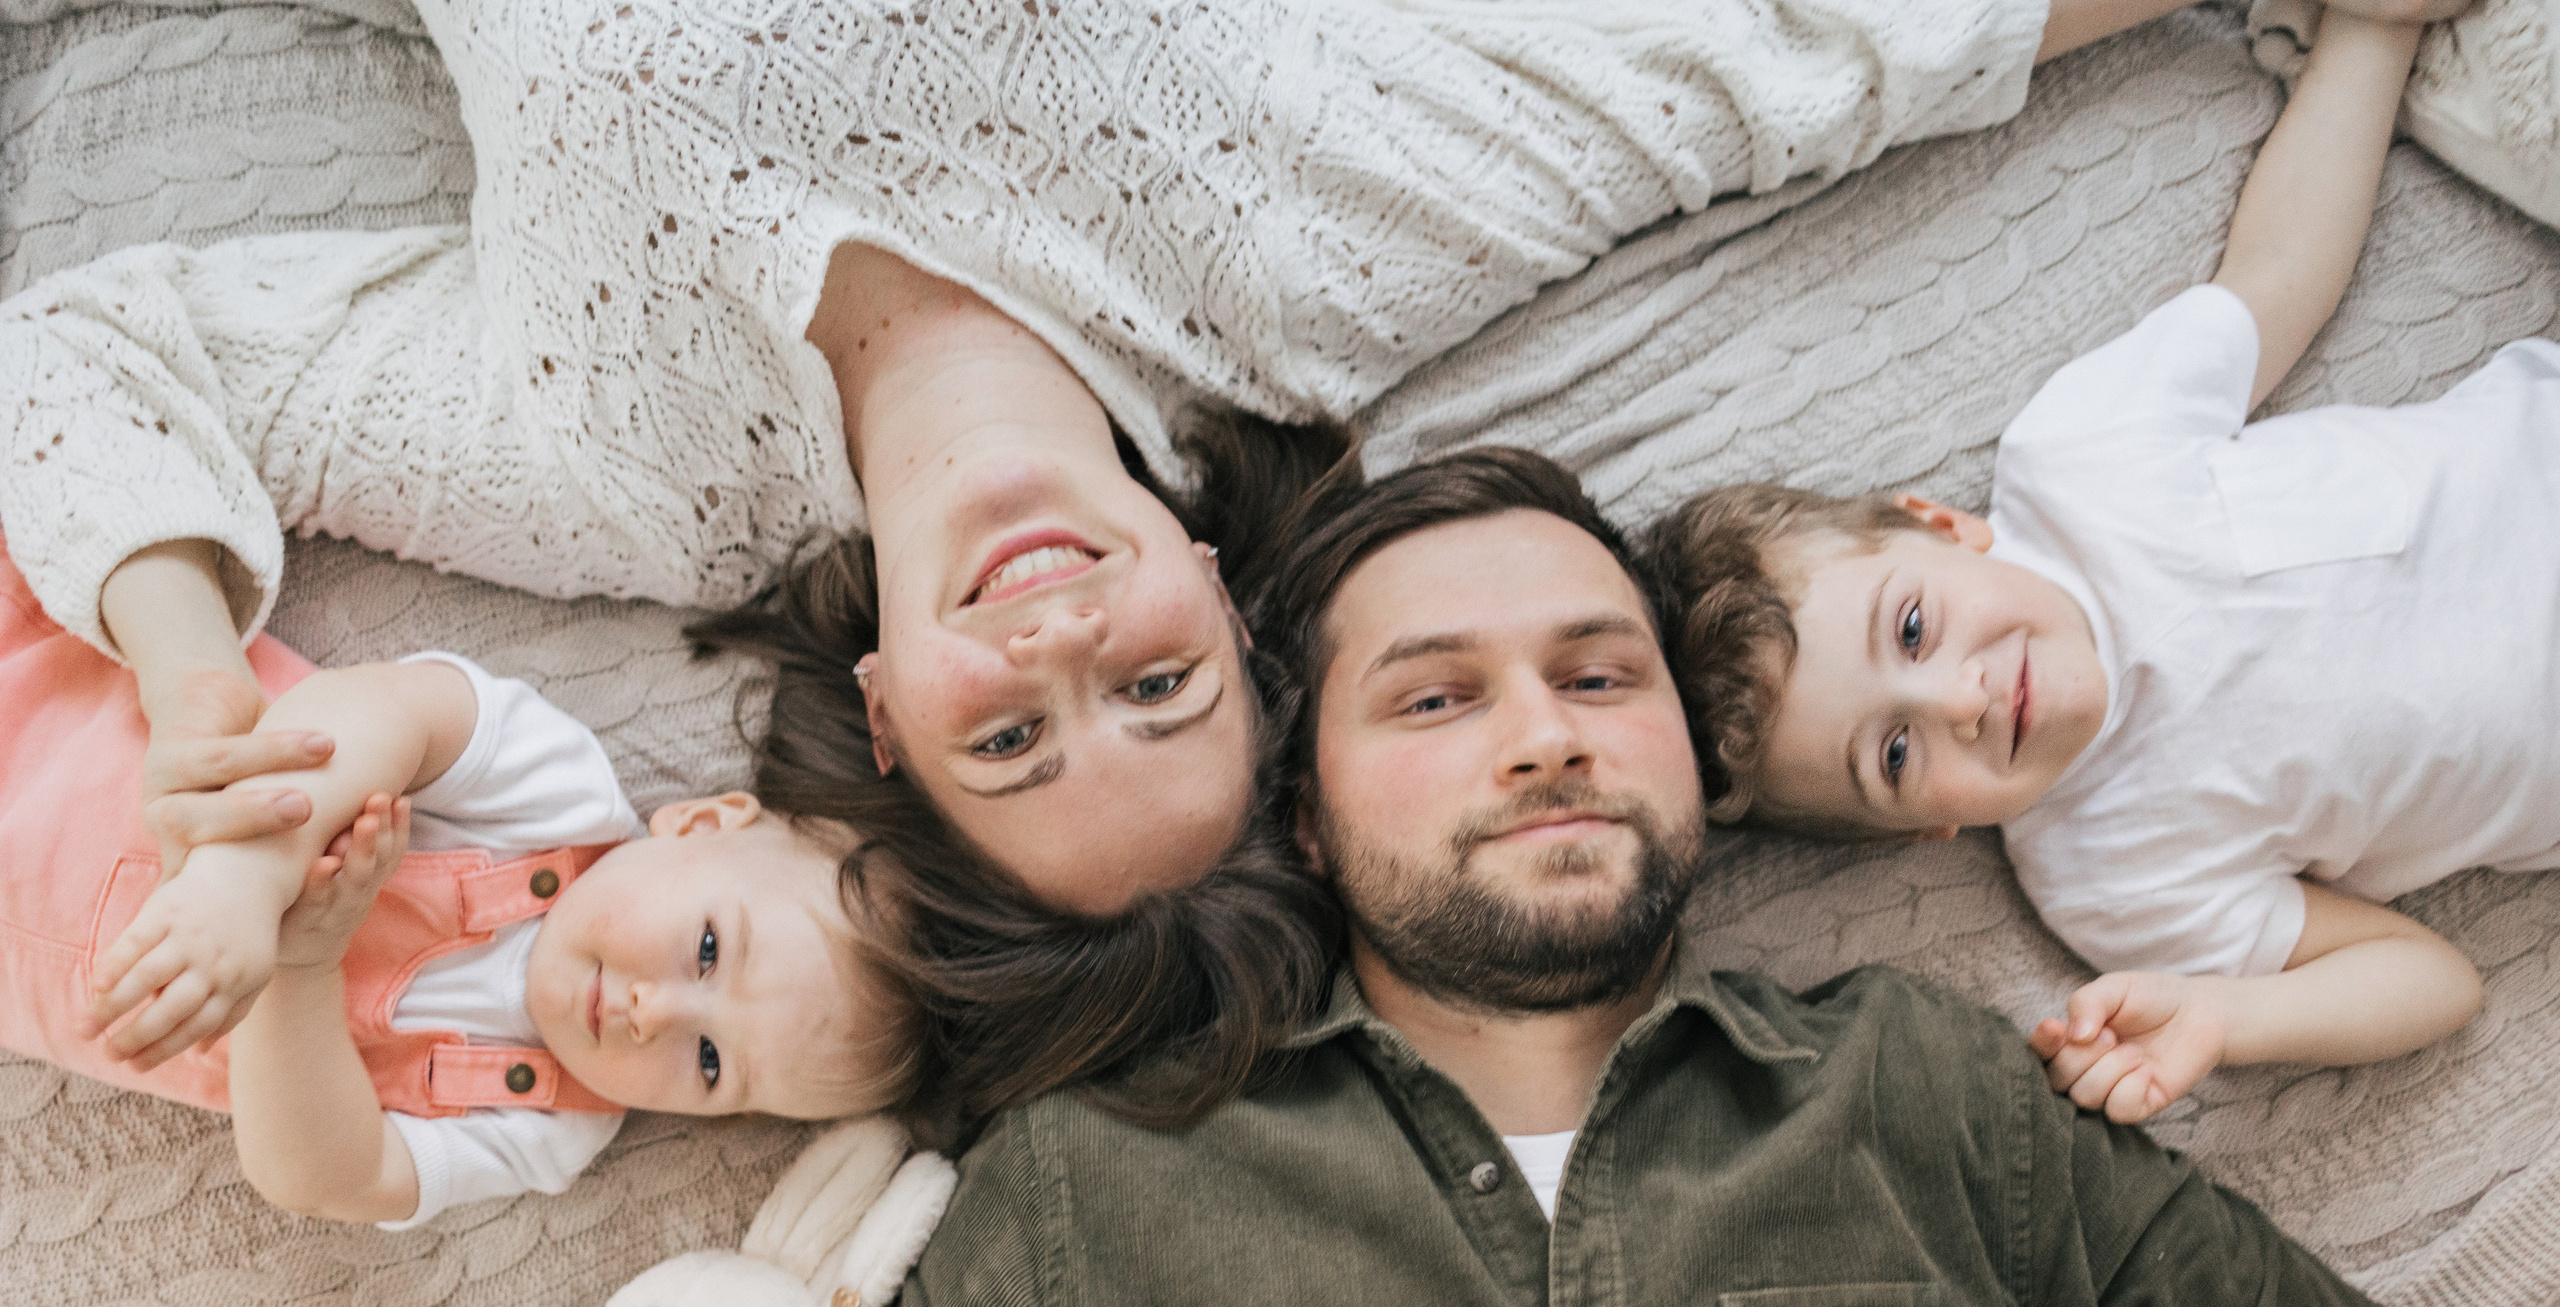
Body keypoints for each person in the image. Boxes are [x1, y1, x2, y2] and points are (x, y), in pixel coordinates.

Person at [725, 448, 2516, 1307]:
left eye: (1600, 672)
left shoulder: (1928, 1101)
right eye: (1435, 701)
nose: (1547, 732)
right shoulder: (1091, 1190)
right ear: (1305, 814)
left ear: (1698, 757)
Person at [0, 0, 2320, 932]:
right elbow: (1771, 49)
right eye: (1156, 689)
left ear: (893, 714)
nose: (1058, 638)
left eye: (1009, 727)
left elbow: (105, 345)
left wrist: (199, 686)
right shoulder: (1303, 272)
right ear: (1230, 603)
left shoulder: (630, 486)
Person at [1650, 6, 2522, 1122]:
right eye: (1900, 752)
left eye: (1911, 629)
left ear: (1939, 523)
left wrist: (2371, 31)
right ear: (1929, 832)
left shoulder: (2079, 459)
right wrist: (2225, 1020)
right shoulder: (2114, 881)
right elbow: (2434, 983)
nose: (1958, 697)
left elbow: (2282, 269)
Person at [0, 537, 918, 1227]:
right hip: (54, 703)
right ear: (703, 823)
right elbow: (373, 712)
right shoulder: (554, 790)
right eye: (709, 949)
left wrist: (300, 968)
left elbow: (328, 1176)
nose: (655, 1012)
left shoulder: (552, 1128)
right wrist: (247, 883)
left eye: (711, 1063)